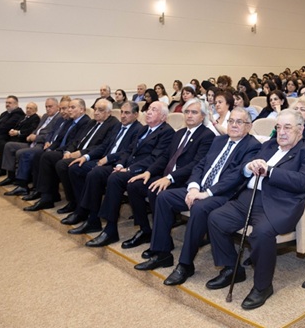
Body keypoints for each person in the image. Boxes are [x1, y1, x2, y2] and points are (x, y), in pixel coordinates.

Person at [206, 109, 305, 310]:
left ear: (300, 129)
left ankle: (262, 286)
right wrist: (249, 166)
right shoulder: (268, 145)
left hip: (277, 204)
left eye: (287, 127)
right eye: (278, 127)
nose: (282, 132)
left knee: (261, 233)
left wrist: (271, 171)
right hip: (247, 198)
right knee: (216, 218)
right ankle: (232, 269)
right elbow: (245, 167)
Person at [133, 108, 261, 287]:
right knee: (164, 197)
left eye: (239, 122)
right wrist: (193, 187)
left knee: (199, 207)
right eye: (231, 121)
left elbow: (236, 176)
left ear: (249, 126)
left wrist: (206, 193)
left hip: (224, 195)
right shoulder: (219, 140)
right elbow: (200, 165)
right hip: (200, 189)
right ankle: (162, 253)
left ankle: (185, 265)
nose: (233, 125)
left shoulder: (252, 146)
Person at [84, 99, 215, 248]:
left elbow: (196, 164)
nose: (189, 115)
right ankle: (145, 229)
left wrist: (169, 178)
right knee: (134, 186)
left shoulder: (207, 135)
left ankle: (162, 240)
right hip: (164, 175)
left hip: (184, 180)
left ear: (203, 116)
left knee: (154, 191)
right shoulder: (180, 133)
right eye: (187, 112)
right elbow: (165, 157)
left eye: (194, 112)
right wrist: (148, 172)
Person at [68, 102, 174, 237]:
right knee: (96, 173)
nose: (148, 112)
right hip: (126, 166)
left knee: (115, 178)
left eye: (154, 110)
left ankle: (110, 228)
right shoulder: (144, 129)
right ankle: (92, 219)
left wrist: (130, 169)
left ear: (163, 117)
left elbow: (155, 158)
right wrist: (120, 165)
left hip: (143, 170)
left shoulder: (167, 132)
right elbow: (128, 150)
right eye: (148, 109)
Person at [24, 99, 118, 212]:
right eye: (95, 109)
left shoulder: (113, 124)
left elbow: (103, 146)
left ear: (109, 112)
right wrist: (68, 152)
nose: (96, 112)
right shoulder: (92, 122)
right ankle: (47, 196)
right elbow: (77, 140)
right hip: (77, 152)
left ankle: (73, 201)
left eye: (100, 110)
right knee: (46, 156)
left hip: (91, 156)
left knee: (62, 164)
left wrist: (81, 153)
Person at [60, 101, 144, 226]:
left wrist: (108, 158)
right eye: (121, 112)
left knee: (95, 174)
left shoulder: (139, 129)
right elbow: (104, 145)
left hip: (117, 164)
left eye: (127, 113)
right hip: (103, 160)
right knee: (75, 168)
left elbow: (129, 152)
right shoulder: (118, 126)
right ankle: (81, 209)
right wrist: (86, 157)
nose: (122, 116)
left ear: (136, 114)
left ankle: (93, 219)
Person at [0, 98, 60, 187]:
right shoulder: (45, 116)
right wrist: (31, 135)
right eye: (46, 107)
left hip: (42, 144)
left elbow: (52, 135)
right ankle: (11, 176)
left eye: (50, 106)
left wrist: (36, 137)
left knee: (22, 153)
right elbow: (37, 129)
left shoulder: (59, 118)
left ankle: (22, 184)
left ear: (57, 106)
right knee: (9, 145)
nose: (48, 109)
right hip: (32, 142)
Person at [0, 102, 40, 177]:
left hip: (22, 139)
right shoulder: (24, 117)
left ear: (35, 110)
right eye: (27, 108)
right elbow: (15, 126)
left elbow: (31, 130)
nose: (28, 110)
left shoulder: (35, 118)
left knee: (3, 145)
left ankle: (1, 169)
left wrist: (18, 132)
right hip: (13, 137)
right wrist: (12, 130)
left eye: (30, 108)